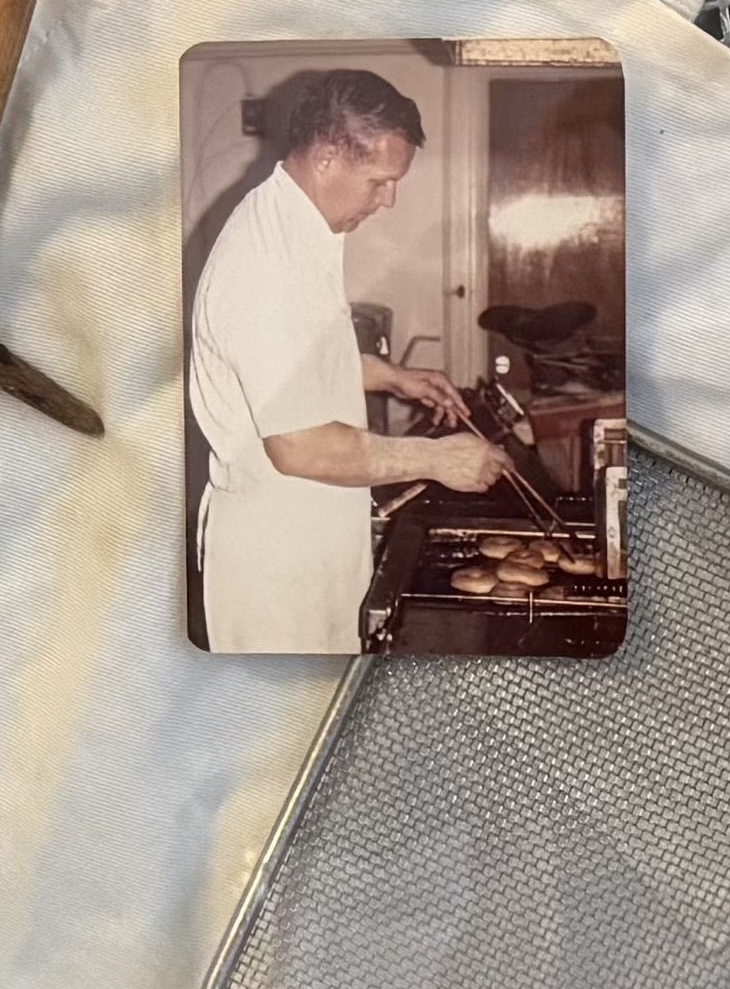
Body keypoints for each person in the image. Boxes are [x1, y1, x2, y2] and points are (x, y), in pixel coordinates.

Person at [186, 69, 508, 653]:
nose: (388, 201)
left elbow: (296, 367)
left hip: (314, 533)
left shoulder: (303, 231)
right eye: (379, 182)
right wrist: (436, 459)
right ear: (330, 156)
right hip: (277, 563)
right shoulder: (265, 261)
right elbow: (301, 444)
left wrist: (392, 377)